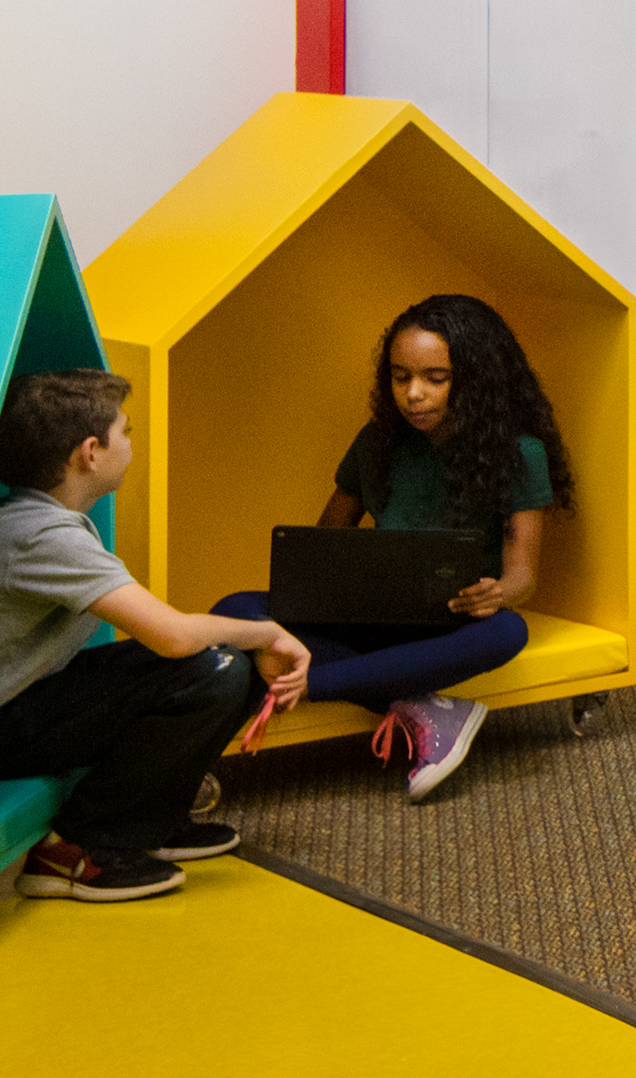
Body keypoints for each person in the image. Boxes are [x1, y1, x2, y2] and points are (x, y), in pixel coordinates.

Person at [207, 291, 563, 804]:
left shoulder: (518, 454)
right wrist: (316, 593)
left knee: (508, 631)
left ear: (476, 380)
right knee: (236, 610)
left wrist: (497, 593)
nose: (413, 393)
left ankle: (307, 684)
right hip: (368, 622)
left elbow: (524, 575)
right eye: (401, 377)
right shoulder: (376, 441)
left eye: (435, 379)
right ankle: (421, 704)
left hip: (450, 622)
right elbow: (324, 544)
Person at [0, 366, 308, 906]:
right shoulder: (44, 536)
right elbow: (173, 637)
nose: (131, 443)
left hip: (23, 706)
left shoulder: (37, 519)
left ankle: (150, 825)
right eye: (126, 431)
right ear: (90, 451)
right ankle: (81, 850)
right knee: (212, 666)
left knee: (223, 661)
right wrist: (269, 633)